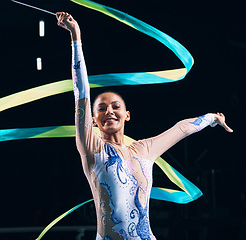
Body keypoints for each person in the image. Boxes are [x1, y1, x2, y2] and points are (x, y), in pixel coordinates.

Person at [56, 12, 233, 240]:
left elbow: (181, 129)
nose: (109, 110)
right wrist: (75, 36)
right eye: (101, 108)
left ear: (127, 115)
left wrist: (211, 118)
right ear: (92, 121)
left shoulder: (144, 150)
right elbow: (81, 93)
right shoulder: (93, 149)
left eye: (115, 106)